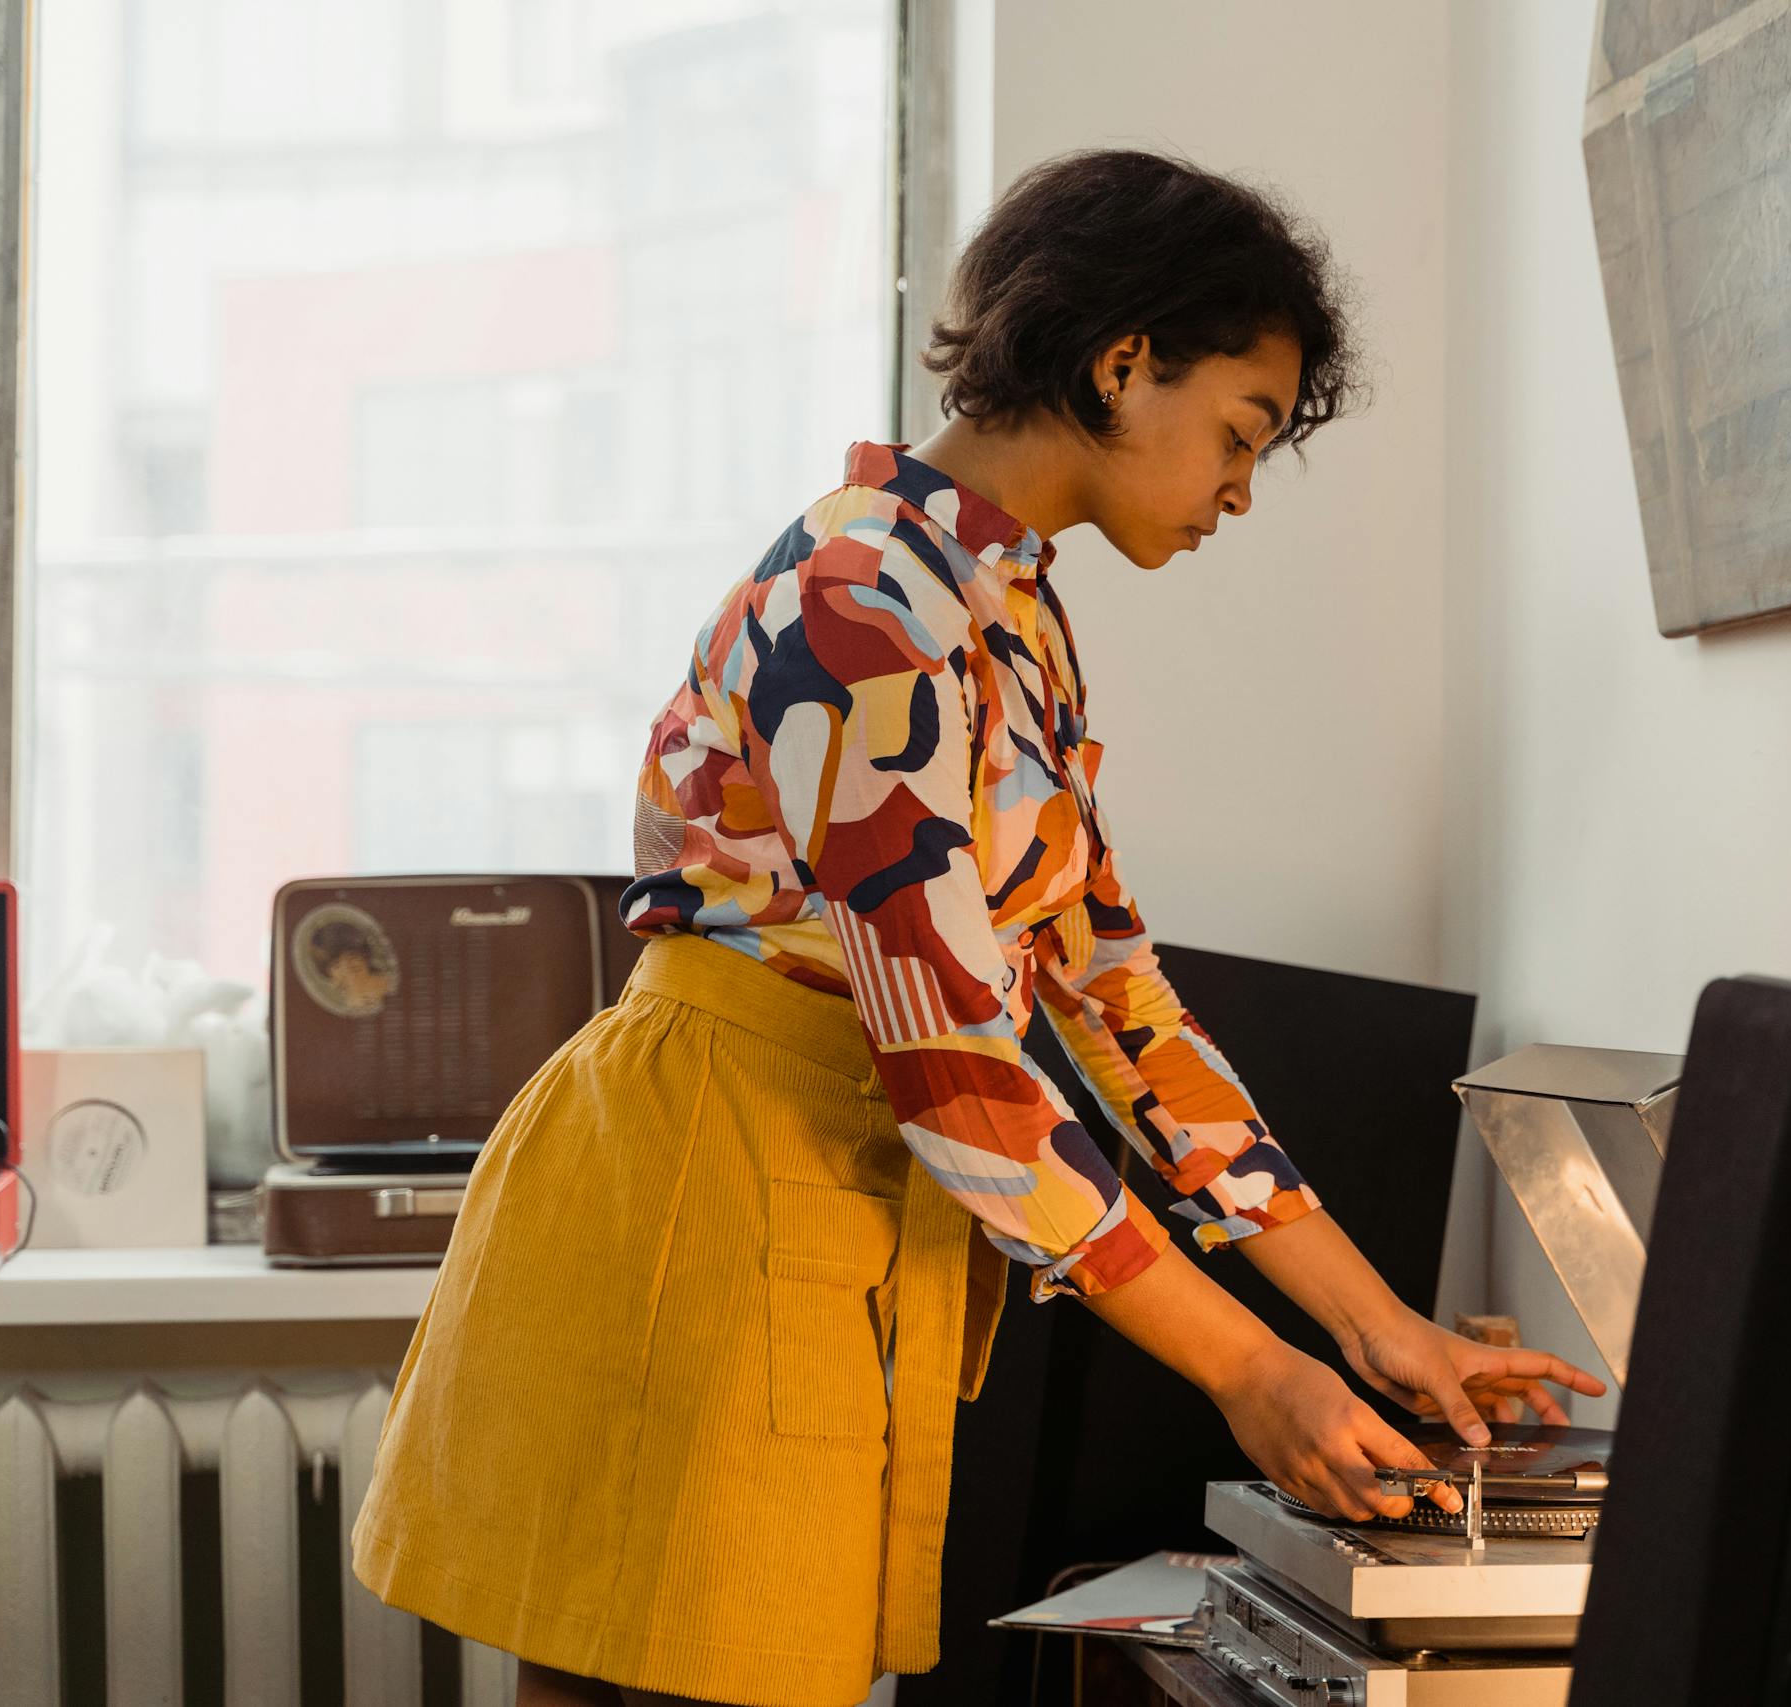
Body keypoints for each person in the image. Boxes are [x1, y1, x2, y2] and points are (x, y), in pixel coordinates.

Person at [350, 148, 1602, 1707]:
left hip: (826, 1182)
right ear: (1122, 359)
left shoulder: (1008, 610)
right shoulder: (861, 596)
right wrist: (1251, 1372)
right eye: (1239, 431)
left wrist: (1372, 1326)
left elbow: (1114, 998)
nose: (1237, 489)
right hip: (705, 1179)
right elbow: (956, 1059)